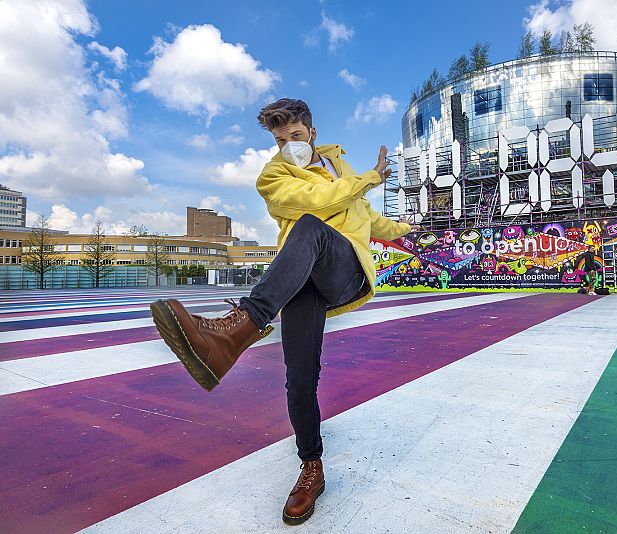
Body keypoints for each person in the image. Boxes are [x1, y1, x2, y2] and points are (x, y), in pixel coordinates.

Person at [149, 98, 419, 525]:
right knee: (299, 379)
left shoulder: (341, 168)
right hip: (300, 277)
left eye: (294, 136)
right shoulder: (273, 176)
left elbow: (366, 215)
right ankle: (312, 466)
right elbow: (313, 199)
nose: (287, 145)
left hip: (344, 267)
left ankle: (236, 330)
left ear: (311, 132)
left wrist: (406, 229)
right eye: (279, 140)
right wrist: (369, 179)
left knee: (314, 227)